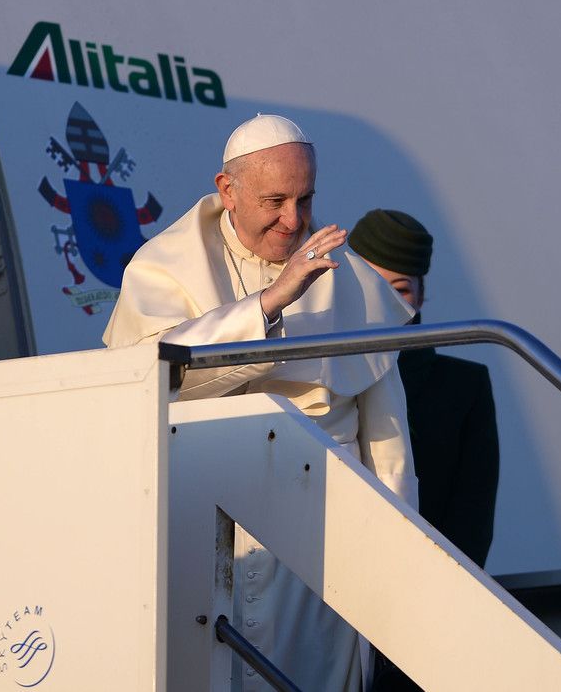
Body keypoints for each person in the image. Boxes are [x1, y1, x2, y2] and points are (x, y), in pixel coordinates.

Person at [105, 114, 417, 691]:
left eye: (305, 199)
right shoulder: (163, 267)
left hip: (319, 562)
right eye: (275, 201)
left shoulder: (353, 281)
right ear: (228, 190)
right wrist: (269, 304)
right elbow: (149, 377)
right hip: (204, 542)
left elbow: (388, 446)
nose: (293, 220)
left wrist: (393, 569)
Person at [349, 209, 500, 692]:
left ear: (420, 294)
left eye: (400, 288)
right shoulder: (316, 372)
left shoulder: (464, 386)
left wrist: (435, 615)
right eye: (371, 283)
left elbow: (471, 521)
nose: (385, 300)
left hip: (424, 619)